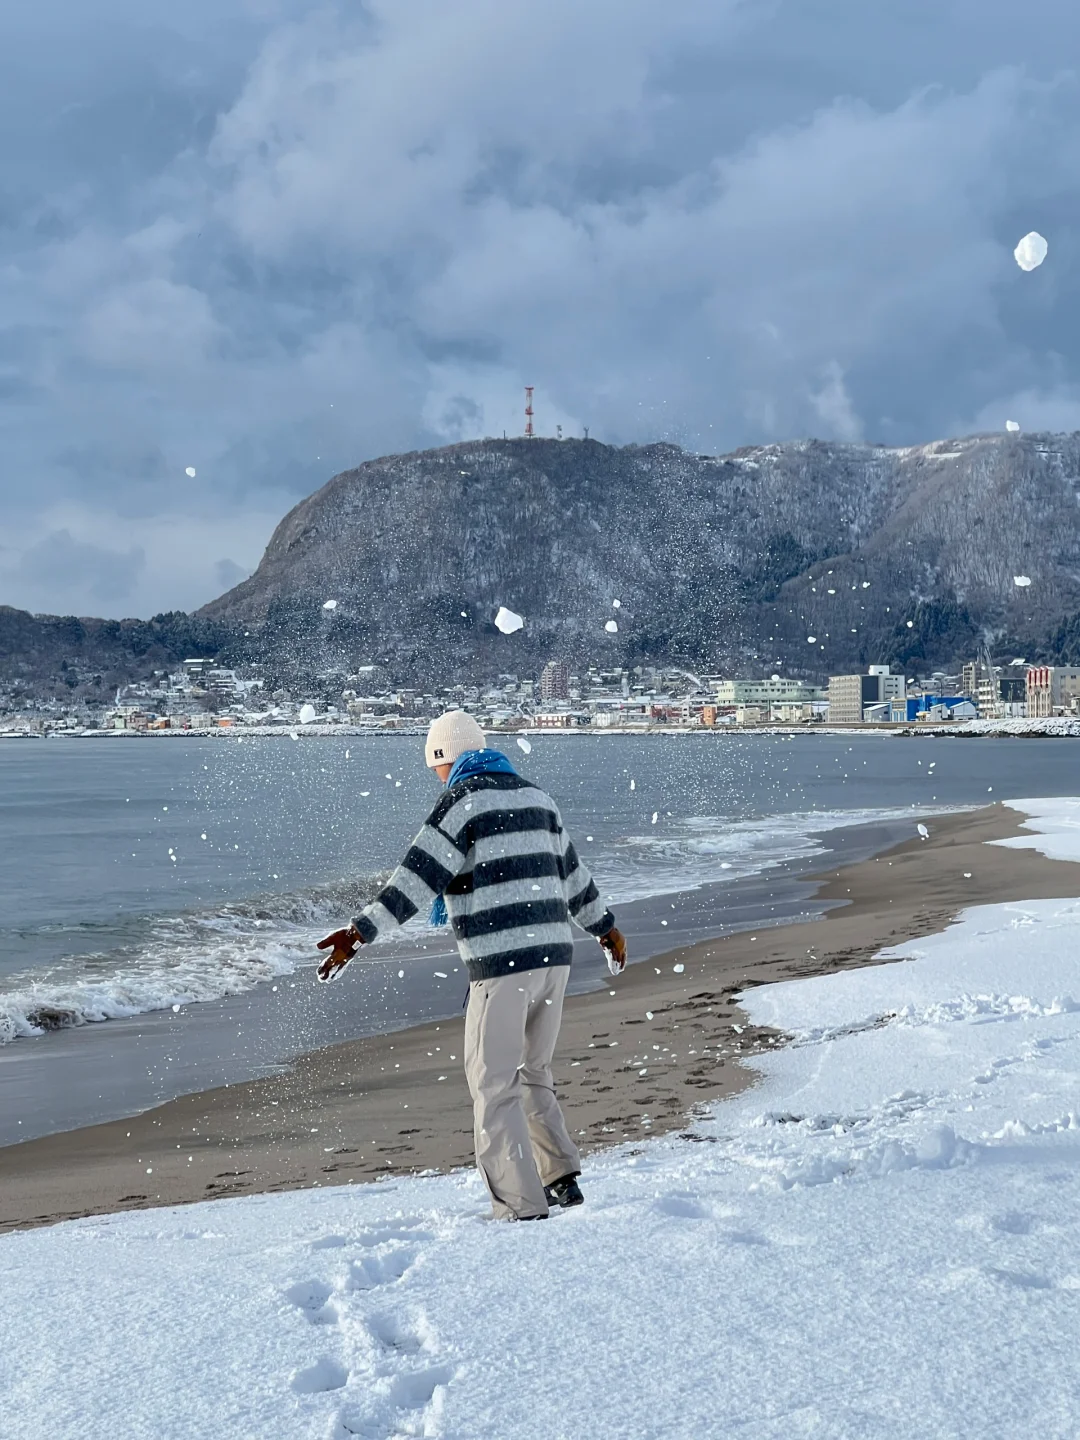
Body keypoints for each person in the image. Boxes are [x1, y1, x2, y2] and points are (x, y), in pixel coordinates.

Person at [316, 709, 627, 1221]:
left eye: (436, 765)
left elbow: (414, 881)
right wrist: (606, 929)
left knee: (492, 1085)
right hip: (555, 958)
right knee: (534, 1072)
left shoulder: (461, 803)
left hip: (502, 965)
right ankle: (560, 1178)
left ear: (447, 756)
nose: (436, 776)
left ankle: (520, 1206)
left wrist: (358, 934)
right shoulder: (537, 798)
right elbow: (574, 878)